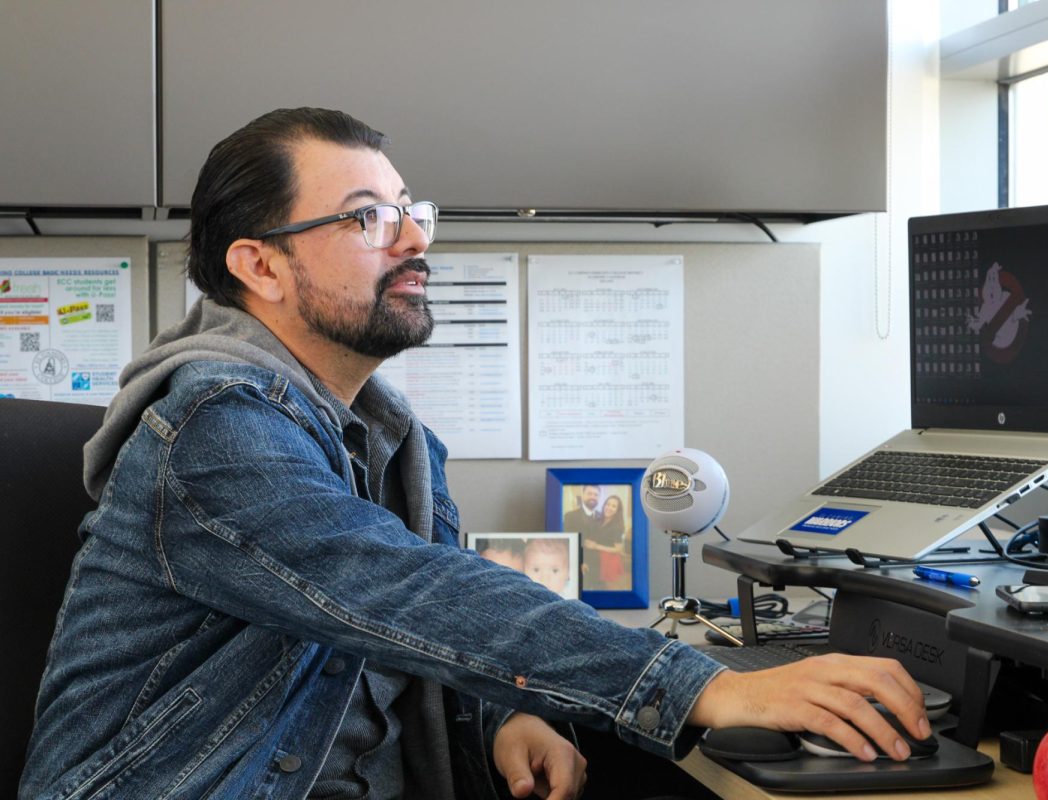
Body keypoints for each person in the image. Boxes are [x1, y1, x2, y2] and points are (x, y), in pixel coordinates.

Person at [20, 108, 930, 800]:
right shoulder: (217, 427)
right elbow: (401, 590)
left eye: (411, 210)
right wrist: (701, 688)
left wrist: (509, 713)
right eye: (369, 218)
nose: (415, 239)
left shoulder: (396, 438)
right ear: (261, 267)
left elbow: (429, 615)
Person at [585, 494, 629, 590]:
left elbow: (618, 549)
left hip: (608, 559)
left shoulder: (617, 526)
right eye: (608, 504)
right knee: (595, 583)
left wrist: (595, 546)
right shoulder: (600, 519)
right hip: (596, 557)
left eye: (614, 506)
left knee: (606, 586)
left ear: (618, 510)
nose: (609, 507)